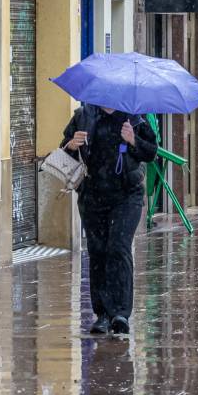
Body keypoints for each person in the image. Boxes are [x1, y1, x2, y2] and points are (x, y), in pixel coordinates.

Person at [61, 104, 158, 335]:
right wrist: (71, 145)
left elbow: (151, 152)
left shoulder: (135, 118)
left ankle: (121, 313)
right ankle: (103, 314)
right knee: (98, 252)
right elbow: (64, 150)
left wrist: (133, 140)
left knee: (119, 247)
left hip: (127, 195)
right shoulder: (84, 116)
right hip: (92, 195)